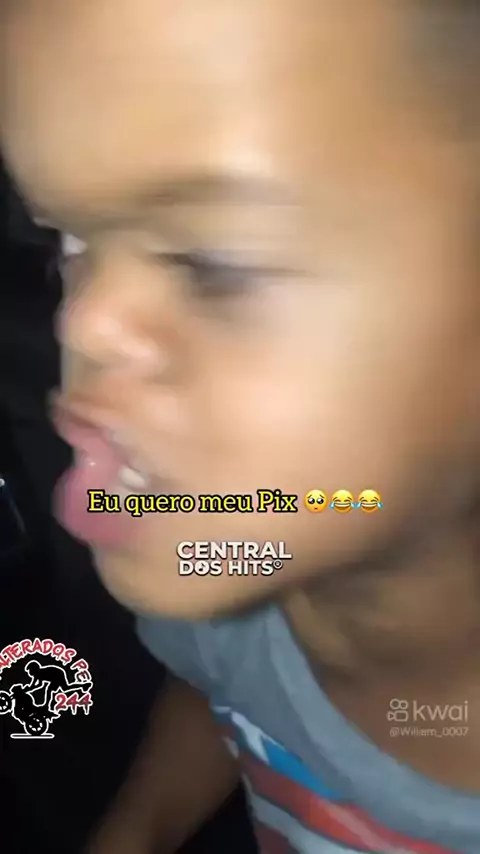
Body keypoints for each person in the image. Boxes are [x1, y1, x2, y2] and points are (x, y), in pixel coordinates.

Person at [1, 1, 479, 852]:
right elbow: (230, 673)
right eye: (69, 244)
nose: (82, 323)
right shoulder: (238, 549)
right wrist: (138, 831)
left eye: (215, 262)